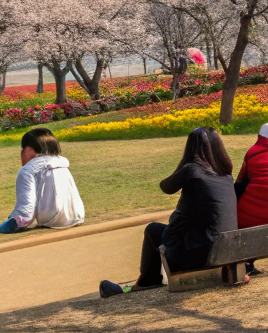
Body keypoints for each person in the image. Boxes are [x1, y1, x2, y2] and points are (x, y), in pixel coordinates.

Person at [100, 127, 238, 296]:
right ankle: (146, 279)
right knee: (166, 231)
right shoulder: (226, 176)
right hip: (227, 251)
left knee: (152, 230)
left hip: (201, 255)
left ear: (191, 149)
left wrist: (185, 165)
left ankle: (147, 281)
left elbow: (166, 187)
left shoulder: (192, 171)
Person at [0, 128, 85, 234]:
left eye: (23, 149)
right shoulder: (61, 163)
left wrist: (10, 224)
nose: (21, 153)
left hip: (52, 220)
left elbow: (26, 210)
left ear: (30, 149)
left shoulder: (27, 170)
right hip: (77, 215)